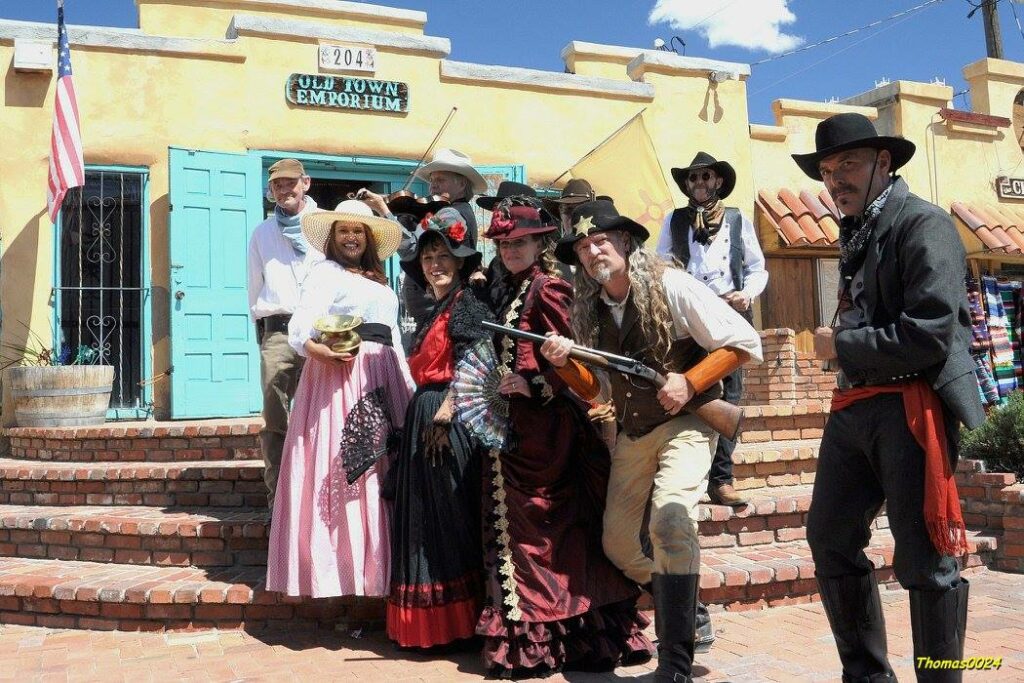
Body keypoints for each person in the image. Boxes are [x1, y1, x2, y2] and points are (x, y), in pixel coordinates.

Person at [793, 113, 984, 682]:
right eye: (827, 171)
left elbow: (929, 334)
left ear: (885, 161)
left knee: (926, 562)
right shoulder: (859, 229)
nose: (834, 180)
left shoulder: (923, 224)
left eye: (846, 165)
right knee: (829, 538)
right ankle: (868, 676)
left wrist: (842, 345)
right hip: (855, 409)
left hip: (910, 409)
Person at [552, 199, 762, 683]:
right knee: (619, 543)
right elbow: (600, 390)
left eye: (600, 240)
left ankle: (675, 664)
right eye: (583, 247)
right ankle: (683, 602)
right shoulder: (590, 307)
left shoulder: (672, 284)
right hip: (633, 432)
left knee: (670, 520)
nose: (591, 252)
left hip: (688, 424)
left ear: (625, 242)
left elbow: (743, 342)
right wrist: (563, 363)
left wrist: (689, 382)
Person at [475, 198, 654, 678]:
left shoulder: (549, 288)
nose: (510, 250)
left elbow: (573, 361)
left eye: (519, 242)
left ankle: (560, 639)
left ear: (539, 243)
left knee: (547, 534)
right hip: (513, 432)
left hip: (549, 432)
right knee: (525, 533)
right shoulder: (504, 288)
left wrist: (534, 383)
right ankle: (547, 639)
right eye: (503, 243)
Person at [265, 200, 414, 598]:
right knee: (349, 465)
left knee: (384, 469)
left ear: (369, 239)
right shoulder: (324, 273)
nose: (351, 237)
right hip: (341, 377)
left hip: (385, 377)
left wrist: (409, 386)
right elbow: (300, 327)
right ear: (332, 238)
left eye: (359, 231)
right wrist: (322, 354)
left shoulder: (381, 282)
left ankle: (382, 567)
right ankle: (343, 574)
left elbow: (394, 337)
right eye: (344, 231)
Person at [386, 207, 492, 649]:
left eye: (444, 256)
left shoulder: (468, 302)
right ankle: (435, 627)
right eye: (428, 258)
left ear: (462, 261)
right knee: (425, 521)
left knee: (450, 517)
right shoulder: (437, 307)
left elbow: (474, 361)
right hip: (425, 416)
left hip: (449, 419)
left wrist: (445, 414)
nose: (435, 265)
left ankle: (461, 624)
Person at [656, 152, 768, 507]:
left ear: (717, 181)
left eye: (705, 177)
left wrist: (747, 295)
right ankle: (687, 476)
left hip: (728, 315)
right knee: (684, 392)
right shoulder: (673, 221)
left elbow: (757, 268)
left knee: (729, 398)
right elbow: (660, 267)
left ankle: (721, 480)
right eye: (693, 179)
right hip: (688, 320)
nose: (699, 184)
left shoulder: (737, 220)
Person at [247, 158, 323, 513]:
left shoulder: (326, 226)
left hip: (320, 330)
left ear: (305, 183)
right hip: (277, 328)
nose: (284, 190)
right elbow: (254, 286)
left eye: (290, 183)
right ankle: (278, 499)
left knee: (322, 409)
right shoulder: (262, 232)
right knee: (275, 413)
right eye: (277, 184)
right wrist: (260, 334)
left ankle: (318, 495)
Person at [414, 148, 488, 247]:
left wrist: (394, 220)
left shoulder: (450, 213)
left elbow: (412, 246)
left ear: (462, 184)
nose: (433, 185)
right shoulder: (460, 210)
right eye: (431, 180)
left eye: (440, 180)